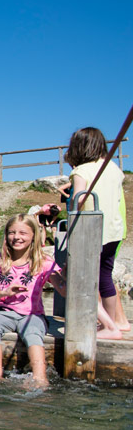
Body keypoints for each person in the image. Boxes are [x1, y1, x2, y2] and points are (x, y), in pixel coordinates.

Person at [0, 214, 65, 385]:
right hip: (3, 312)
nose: (16, 237)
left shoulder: (44, 262)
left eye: (23, 233)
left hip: (33, 315)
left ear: (33, 236)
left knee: (32, 332)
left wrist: (67, 275)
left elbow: (64, 290)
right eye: (12, 232)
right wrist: (5, 293)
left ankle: (40, 378)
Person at [65, 126, 130, 335]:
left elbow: (79, 198)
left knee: (83, 278)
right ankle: (113, 322)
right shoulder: (114, 168)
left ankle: (108, 326)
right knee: (105, 277)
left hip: (90, 232)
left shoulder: (81, 171)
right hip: (113, 230)